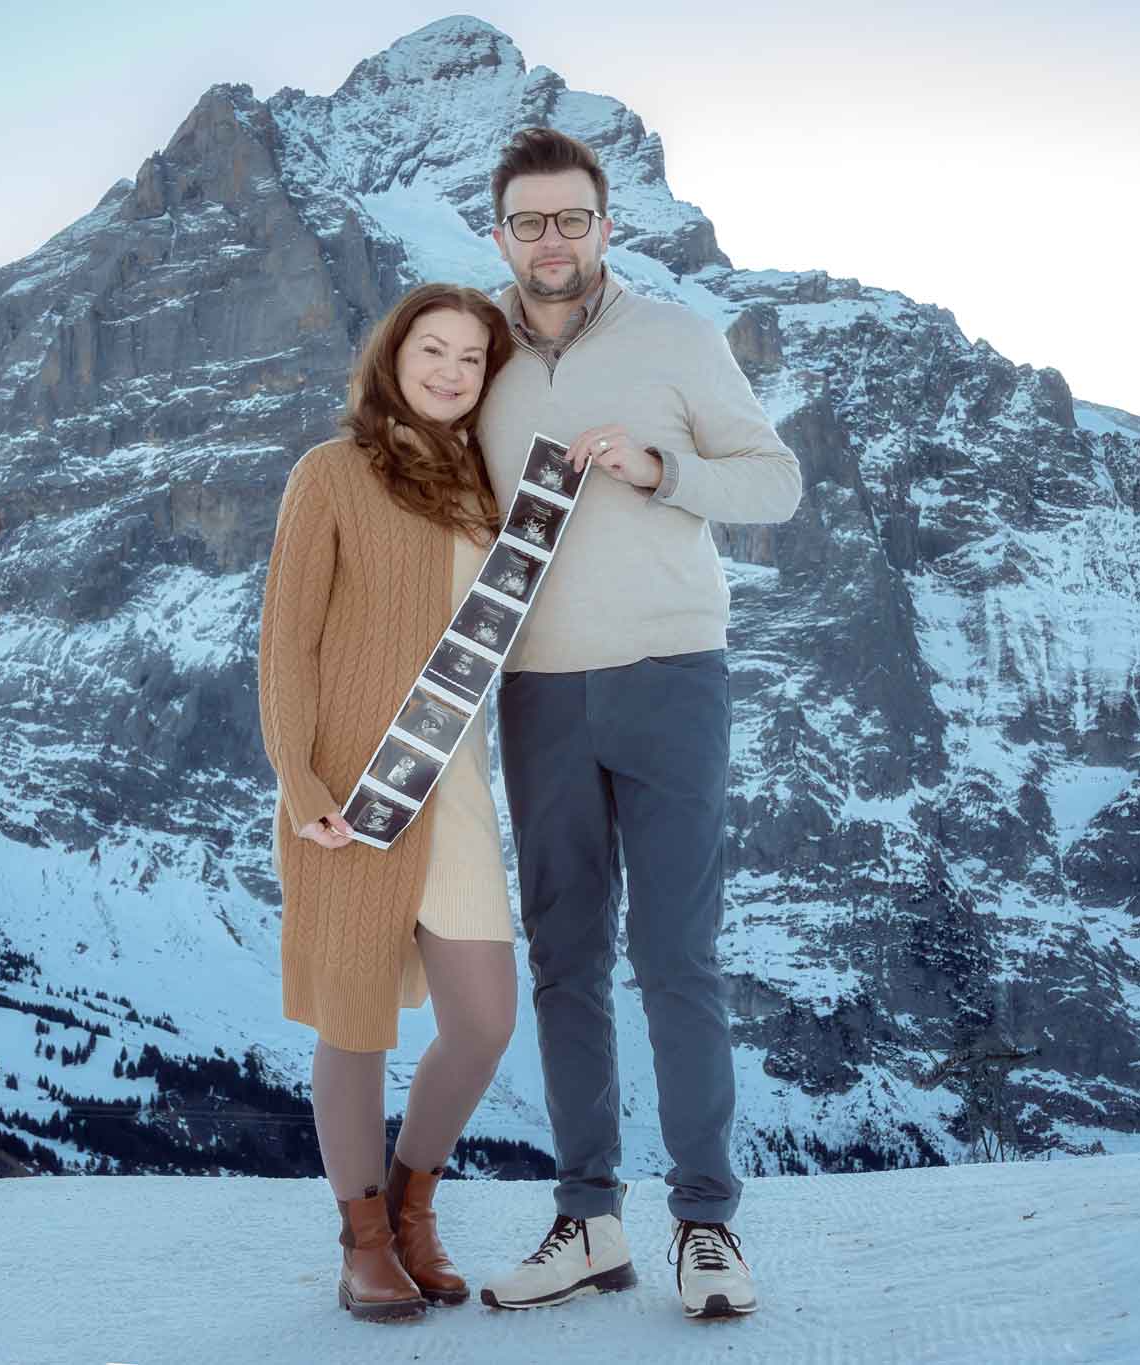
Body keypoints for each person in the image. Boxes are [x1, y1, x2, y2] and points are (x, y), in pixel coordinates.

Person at [473, 127, 804, 1320]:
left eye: (571, 218)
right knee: (564, 955)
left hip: (670, 674)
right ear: (500, 233)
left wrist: (666, 471)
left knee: (676, 956)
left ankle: (705, 1226)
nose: (550, 240)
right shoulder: (477, 356)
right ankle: (586, 1221)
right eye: (529, 222)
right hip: (534, 690)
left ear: (605, 226)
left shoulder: (676, 338)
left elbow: (775, 482)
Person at [257, 282, 522, 1323]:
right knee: (355, 1021)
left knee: (484, 1022)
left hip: (452, 788)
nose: (452, 370)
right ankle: (364, 1238)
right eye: (433, 349)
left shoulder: (491, 488)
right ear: (392, 357)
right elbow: (288, 641)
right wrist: (299, 779)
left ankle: (416, 1203)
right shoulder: (330, 474)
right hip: (349, 796)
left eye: (472, 358)